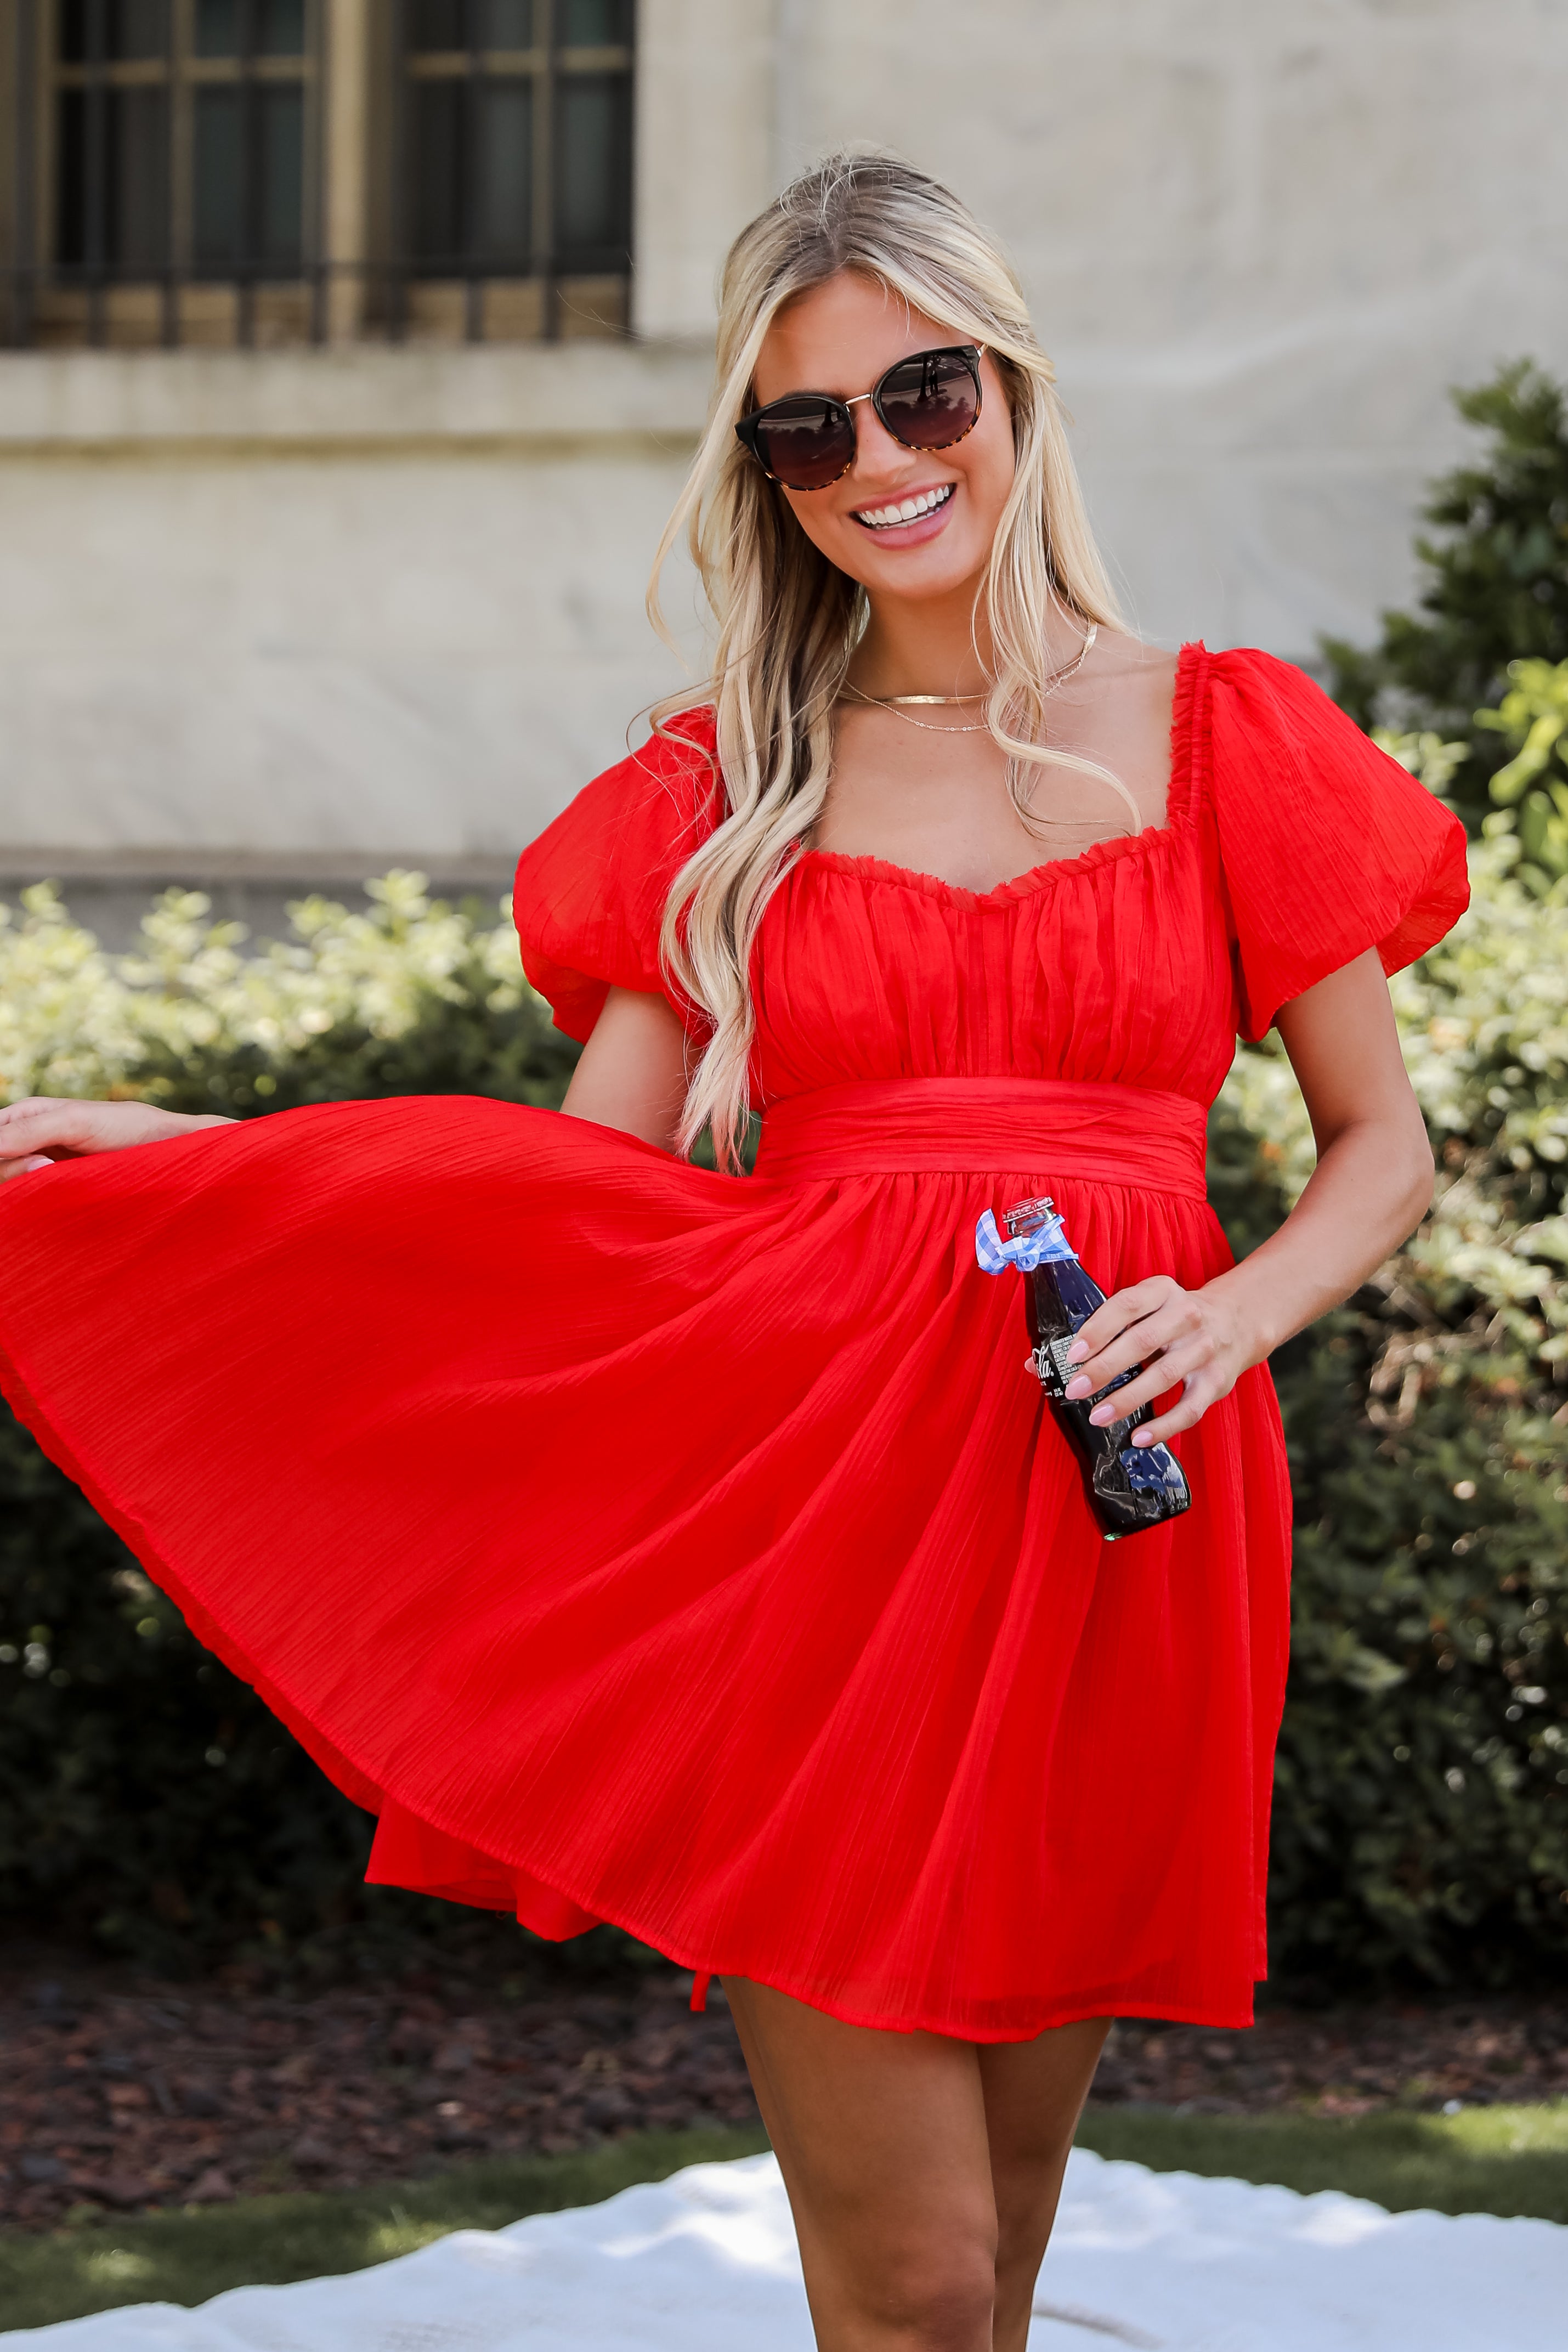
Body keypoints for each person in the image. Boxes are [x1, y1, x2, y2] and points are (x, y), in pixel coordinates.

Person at [0, 154, 1466, 2352]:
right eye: (806, 427)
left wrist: (1233, 1311)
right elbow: (563, 1202)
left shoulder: (1225, 733)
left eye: (921, 394)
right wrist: (209, 1161)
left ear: (1012, 389)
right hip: (820, 1520)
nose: (877, 459)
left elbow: (1382, 1147)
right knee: (916, 2277)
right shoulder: (730, 785)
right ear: (765, 471)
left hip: (1117, 1517)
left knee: (1006, 2239)